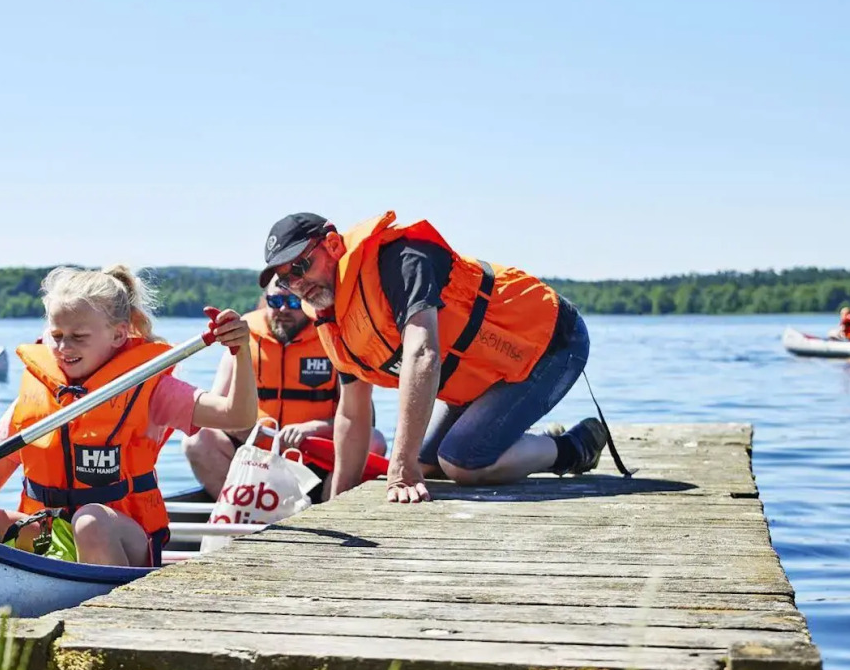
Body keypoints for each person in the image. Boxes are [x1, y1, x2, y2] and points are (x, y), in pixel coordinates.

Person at [258, 211, 609, 505]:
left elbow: (423, 353)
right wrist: (338, 501)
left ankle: (572, 447)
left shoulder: (401, 259)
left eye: (302, 265)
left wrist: (400, 466)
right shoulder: (331, 316)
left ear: (333, 245)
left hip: (548, 343)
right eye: (286, 279)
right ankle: (518, 438)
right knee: (427, 465)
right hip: (482, 377)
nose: (298, 283)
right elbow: (352, 411)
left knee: (461, 464)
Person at [0, 266, 255, 567]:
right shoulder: (39, 394)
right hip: (48, 534)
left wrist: (240, 350)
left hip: (122, 537)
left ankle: (105, 610)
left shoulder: (149, 388)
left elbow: (237, 416)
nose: (63, 348)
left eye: (78, 336)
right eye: (56, 335)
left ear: (118, 335)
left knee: (90, 521)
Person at [184, 282, 386, 498]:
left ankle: (328, 513)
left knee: (374, 440)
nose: (283, 309)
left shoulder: (334, 336)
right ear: (266, 300)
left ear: (308, 302)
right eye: (276, 301)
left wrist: (314, 428)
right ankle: (240, 513)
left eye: (293, 302)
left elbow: (362, 418)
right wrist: (246, 428)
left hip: (314, 457)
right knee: (197, 438)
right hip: (253, 457)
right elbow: (217, 408)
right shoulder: (244, 336)